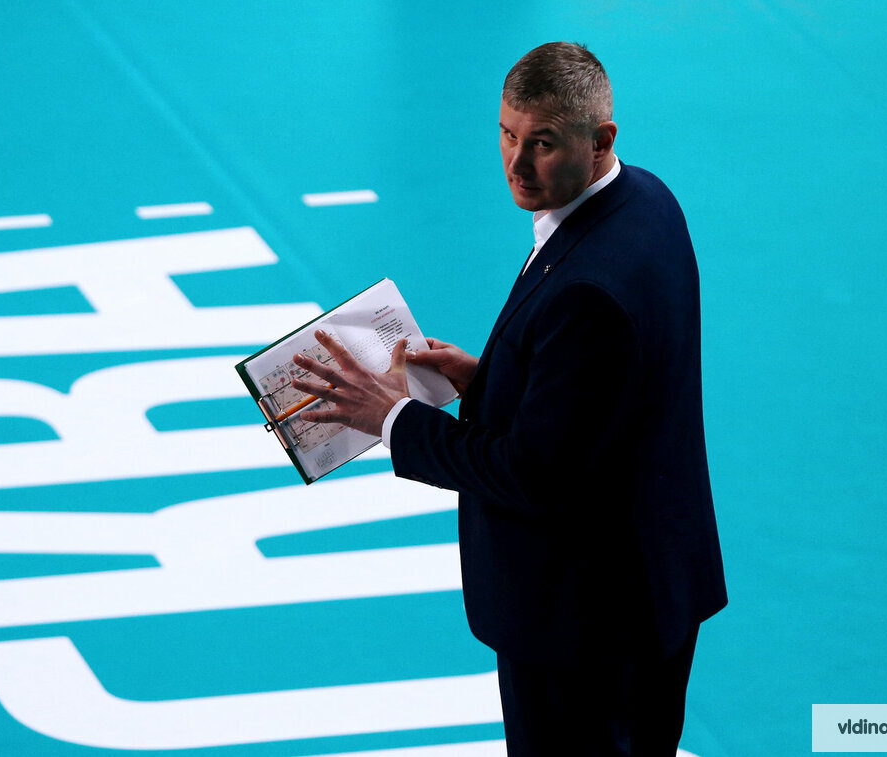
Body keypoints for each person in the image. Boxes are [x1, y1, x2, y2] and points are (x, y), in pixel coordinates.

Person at [290, 41, 727, 756]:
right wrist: (490, 377)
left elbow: (532, 474)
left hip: (585, 626)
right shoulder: (645, 200)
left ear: (600, 140)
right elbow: (608, 391)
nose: (516, 164)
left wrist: (392, 418)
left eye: (542, 143)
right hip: (646, 586)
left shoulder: (588, 290)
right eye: (507, 134)